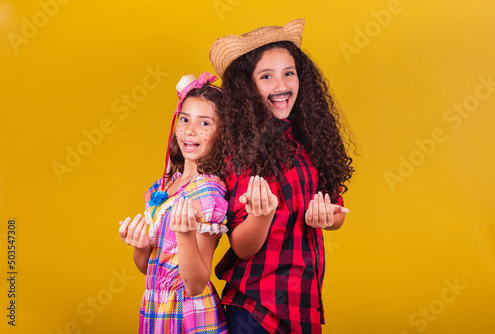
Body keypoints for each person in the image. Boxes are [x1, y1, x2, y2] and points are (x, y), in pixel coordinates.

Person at [209, 19, 355, 333]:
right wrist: (261, 216)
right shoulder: (239, 150)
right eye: (266, 76)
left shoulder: (308, 143)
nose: (282, 85)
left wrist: (327, 218)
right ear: (247, 87)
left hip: (302, 306)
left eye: (289, 72)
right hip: (254, 311)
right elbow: (241, 248)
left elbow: (337, 211)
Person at [118, 72, 229, 334]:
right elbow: (152, 270)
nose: (190, 130)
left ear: (223, 134)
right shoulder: (165, 186)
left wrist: (185, 234)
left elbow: (195, 285)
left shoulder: (207, 193)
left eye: (204, 123)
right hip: (157, 306)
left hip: (189, 314)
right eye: (185, 119)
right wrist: (142, 247)